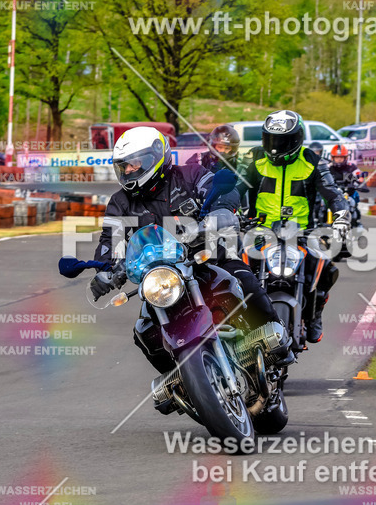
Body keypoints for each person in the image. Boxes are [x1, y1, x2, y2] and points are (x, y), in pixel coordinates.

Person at [91, 126, 291, 373]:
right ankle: (179, 379)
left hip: (209, 258)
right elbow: (110, 240)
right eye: (125, 166)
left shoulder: (190, 174)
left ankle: (279, 339)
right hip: (163, 278)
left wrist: (221, 212)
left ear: (156, 157)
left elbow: (222, 192)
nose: (129, 171)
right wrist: (104, 270)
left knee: (244, 280)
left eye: (134, 164)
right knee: (144, 331)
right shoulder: (120, 202)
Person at [238, 110, 350, 343]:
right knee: (235, 268)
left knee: (326, 267)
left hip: (302, 232)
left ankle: (315, 313)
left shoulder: (313, 162)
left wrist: (341, 217)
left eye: (282, 141)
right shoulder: (253, 158)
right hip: (260, 231)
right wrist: (224, 210)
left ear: (297, 139)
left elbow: (334, 194)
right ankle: (240, 320)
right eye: (271, 140)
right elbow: (234, 187)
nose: (276, 146)